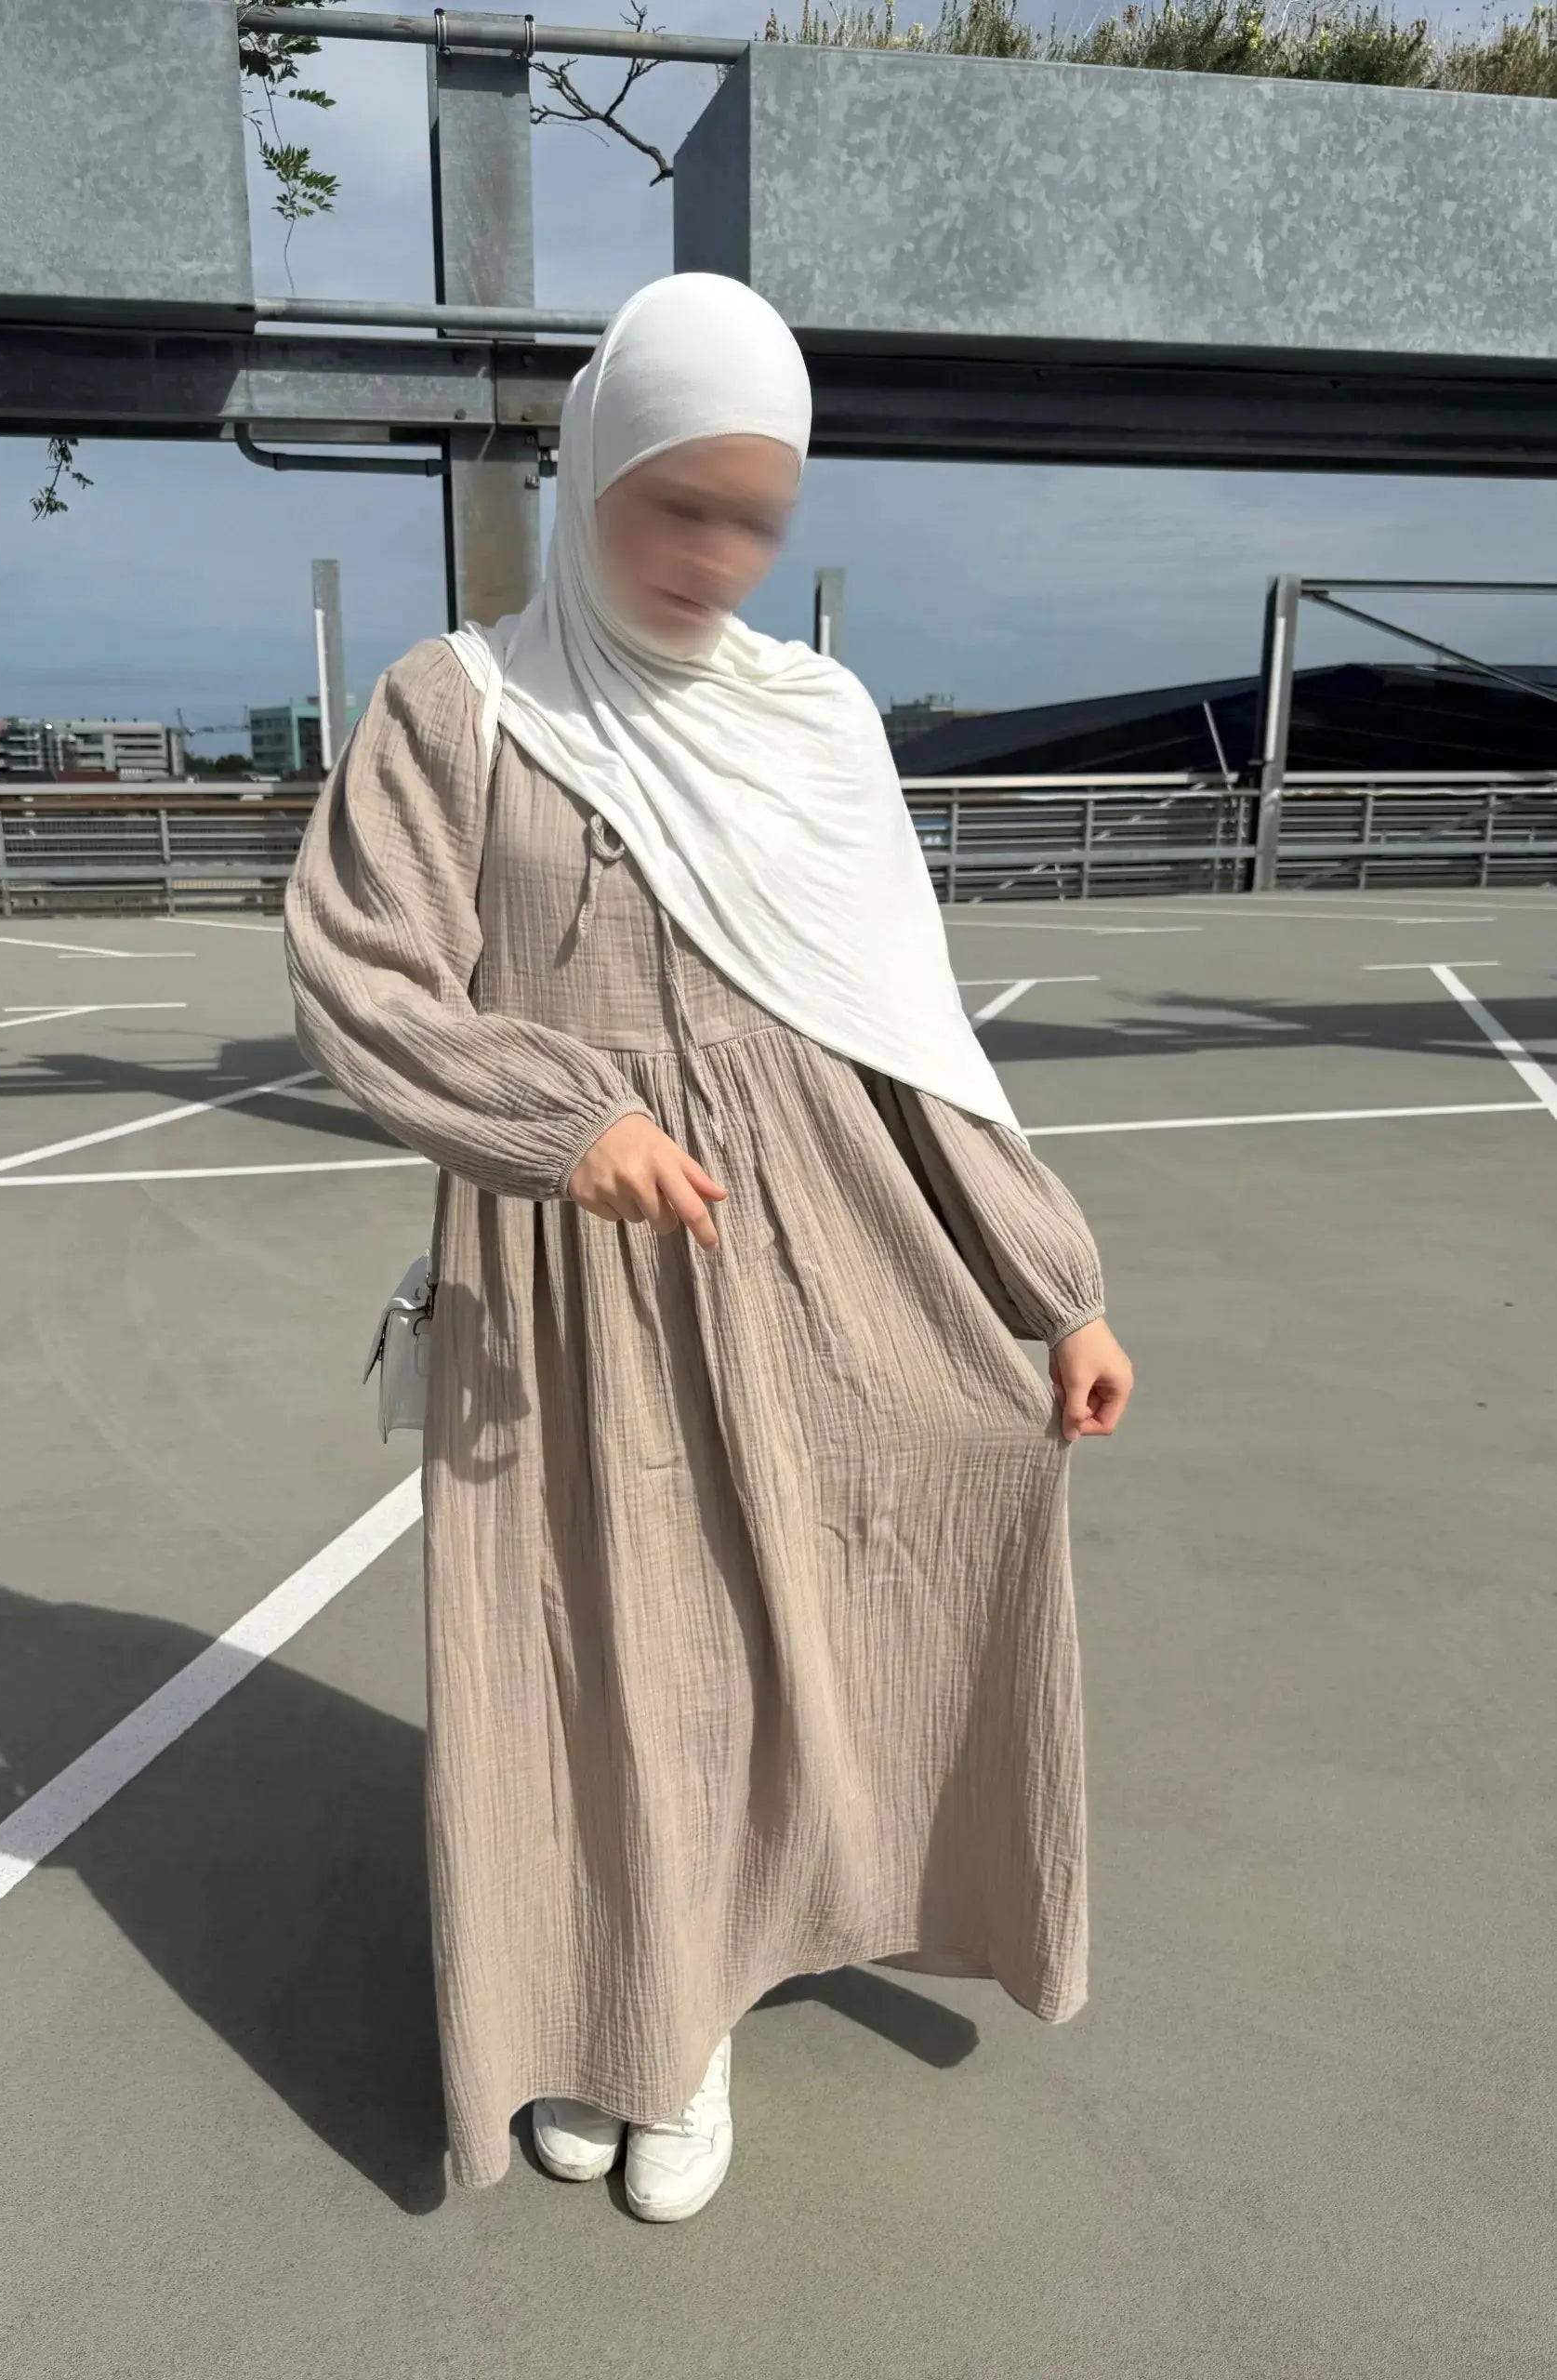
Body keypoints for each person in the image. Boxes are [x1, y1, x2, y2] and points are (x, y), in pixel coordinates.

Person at [283, 271, 1133, 2224]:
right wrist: (560, 1119)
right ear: (590, 468)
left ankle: (691, 2011)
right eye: (678, 503)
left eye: (757, 519)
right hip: (563, 1278)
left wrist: (1054, 1285)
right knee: (591, 1655)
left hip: (818, 1253)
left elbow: (906, 1035)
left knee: (784, 1625)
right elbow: (360, 976)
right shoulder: (459, 705)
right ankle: (623, 2012)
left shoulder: (810, 720)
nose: (714, 556)